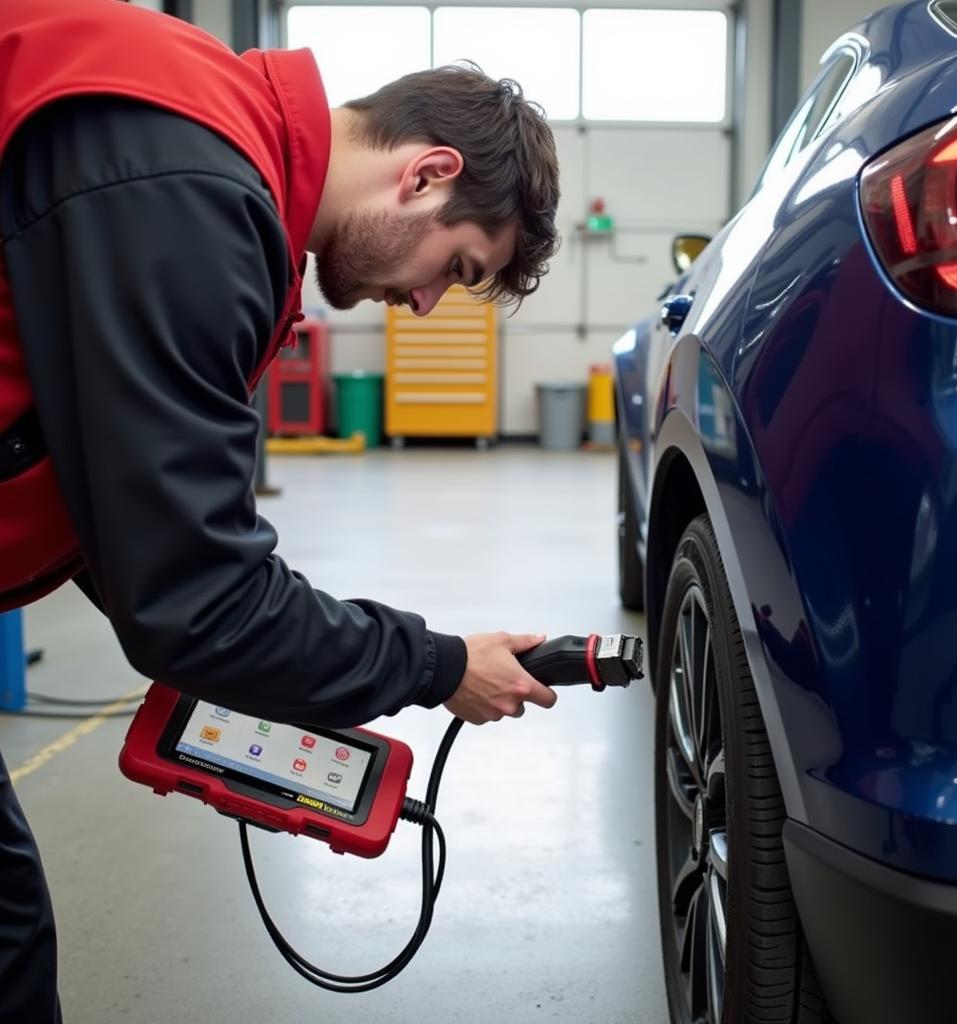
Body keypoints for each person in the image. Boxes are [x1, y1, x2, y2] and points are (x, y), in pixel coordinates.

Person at [0, 1, 561, 1020]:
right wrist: (437, 666)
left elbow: (123, 502)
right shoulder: (193, 186)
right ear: (427, 174)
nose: (431, 305)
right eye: (458, 267)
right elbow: (198, 600)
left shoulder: (198, 137)